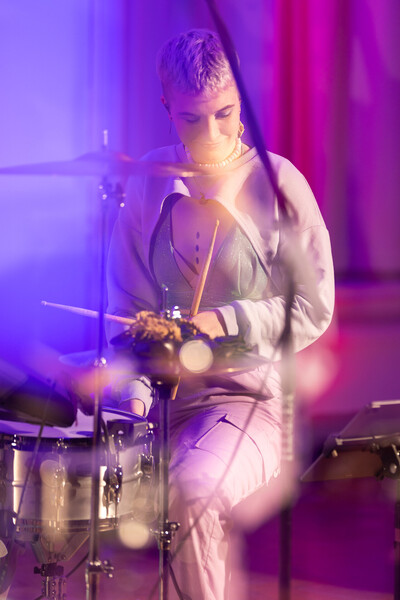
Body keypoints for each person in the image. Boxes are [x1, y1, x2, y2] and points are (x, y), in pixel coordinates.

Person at [107, 29, 334, 600]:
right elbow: (128, 309)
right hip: (164, 403)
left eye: (225, 115)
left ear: (241, 101)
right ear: (167, 106)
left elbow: (314, 305)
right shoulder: (149, 180)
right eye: (190, 119)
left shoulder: (278, 183)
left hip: (250, 402)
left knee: (193, 490)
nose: (210, 134)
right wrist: (132, 398)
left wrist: (228, 320)